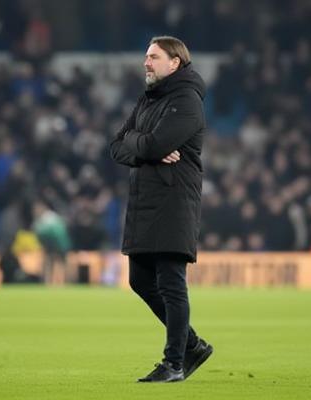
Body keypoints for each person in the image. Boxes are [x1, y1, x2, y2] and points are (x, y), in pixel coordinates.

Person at [109, 36, 213, 383]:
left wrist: (139, 142)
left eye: (153, 57)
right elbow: (116, 146)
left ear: (175, 62)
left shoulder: (186, 101)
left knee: (171, 284)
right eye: (146, 56)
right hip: (144, 202)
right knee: (139, 280)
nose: (146, 63)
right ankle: (192, 345)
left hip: (173, 203)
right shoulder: (149, 99)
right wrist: (143, 146)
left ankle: (174, 363)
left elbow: (151, 144)